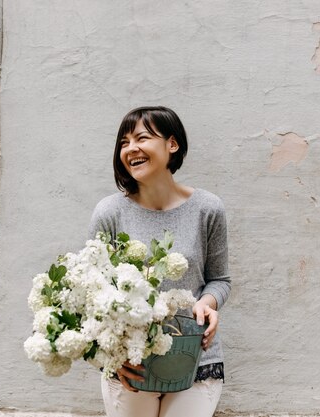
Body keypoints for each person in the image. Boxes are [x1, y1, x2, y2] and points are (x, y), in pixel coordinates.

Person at [88, 106, 231, 417]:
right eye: (124, 142)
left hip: (194, 357)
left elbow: (219, 279)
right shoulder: (110, 213)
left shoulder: (208, 209)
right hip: (131, 363)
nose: (130, 148)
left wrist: (208, 303)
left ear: (172, 144)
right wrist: (109, 355)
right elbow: (92, 293)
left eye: (141, 138)